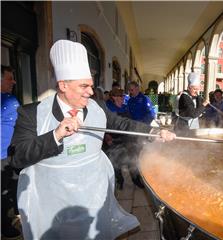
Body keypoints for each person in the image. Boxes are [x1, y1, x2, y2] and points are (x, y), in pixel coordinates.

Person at [8, 40, 175, 239]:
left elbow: (122, 124)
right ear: (63, 85)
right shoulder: (31, 114)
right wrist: (56, 135)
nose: (90, 91)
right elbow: (18, 158)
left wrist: (154, 132)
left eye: (91, 86)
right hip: (55, 202)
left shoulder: (97, 107)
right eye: (84, 86)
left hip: (93, 194)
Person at [1, 65, 21, 238]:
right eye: (9, 78)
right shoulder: (10, 101)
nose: (13, 81)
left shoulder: (10, 99)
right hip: (3, 158)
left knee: (13, 187)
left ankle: (16, 212)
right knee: (3, 194)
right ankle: (4, 226)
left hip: (11, 155)